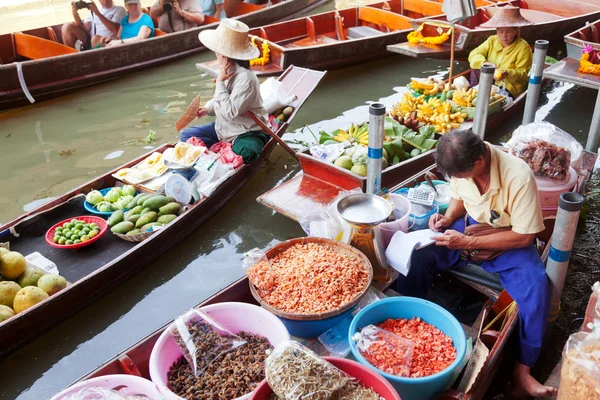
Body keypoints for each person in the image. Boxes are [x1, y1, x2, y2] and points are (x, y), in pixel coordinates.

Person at [394, 131, 558, 398]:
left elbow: (524, 236)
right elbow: (459, 198)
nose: (459, 180)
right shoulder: (462, 167)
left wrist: (467, 244)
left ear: (479, 161)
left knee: (537, 289)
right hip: (469, 229)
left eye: (462, 175)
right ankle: (404, 321)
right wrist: (447, 218)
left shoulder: (518, 176)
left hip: (508, 240)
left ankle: (522, 372)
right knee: (418, 254)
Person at [180, 19, 269, 164]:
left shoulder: (247, 79)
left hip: (245, 131)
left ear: (223, 56)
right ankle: (217, 156)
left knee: (247, 152)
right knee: (187, 135)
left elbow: (230, 111)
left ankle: (221, 157)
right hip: (224, 129)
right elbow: (220, 100)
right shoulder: (226, 71)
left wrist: (220, 83)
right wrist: (207, 108)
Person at [468, 6, 533, 98]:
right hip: (489, 81)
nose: (504, 36)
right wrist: (487, 64)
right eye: (501, 31)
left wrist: (507, 73)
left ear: (516, 31)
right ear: (496, 30)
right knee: (475, 66)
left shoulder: (523, 47)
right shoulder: (492, 40)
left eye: (509, 31)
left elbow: (523, 75)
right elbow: (474, 54)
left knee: (494, 99)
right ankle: (473, 92)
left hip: (508, 87)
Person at [61, 0, 126, 49]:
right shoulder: (95, 10)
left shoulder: (119, 9)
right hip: (90, 41)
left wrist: (97, 13)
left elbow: (115, 30)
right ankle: (71, 58)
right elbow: (84, 28)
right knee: (66, 27)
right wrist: (75, 14)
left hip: (107, 41)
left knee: (95, 38)